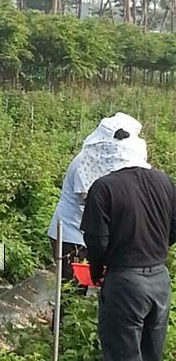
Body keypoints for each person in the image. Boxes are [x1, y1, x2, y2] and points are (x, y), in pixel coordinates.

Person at [81, 120, 176, 361]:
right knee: (148, 355)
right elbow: (173, 227)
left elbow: (97, 242)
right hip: (159, 279)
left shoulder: (104, 188)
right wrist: (153, 249)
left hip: (126, 281)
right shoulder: (163, 180)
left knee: (122, 360)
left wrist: (98, 274)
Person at [48, 112, 148, 291]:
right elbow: (92, 202)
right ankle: (62, 320)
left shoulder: (108, 160)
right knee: (71, 289)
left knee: (85, 285)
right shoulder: (85, 162)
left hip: (87, 232)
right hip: (71, 233)